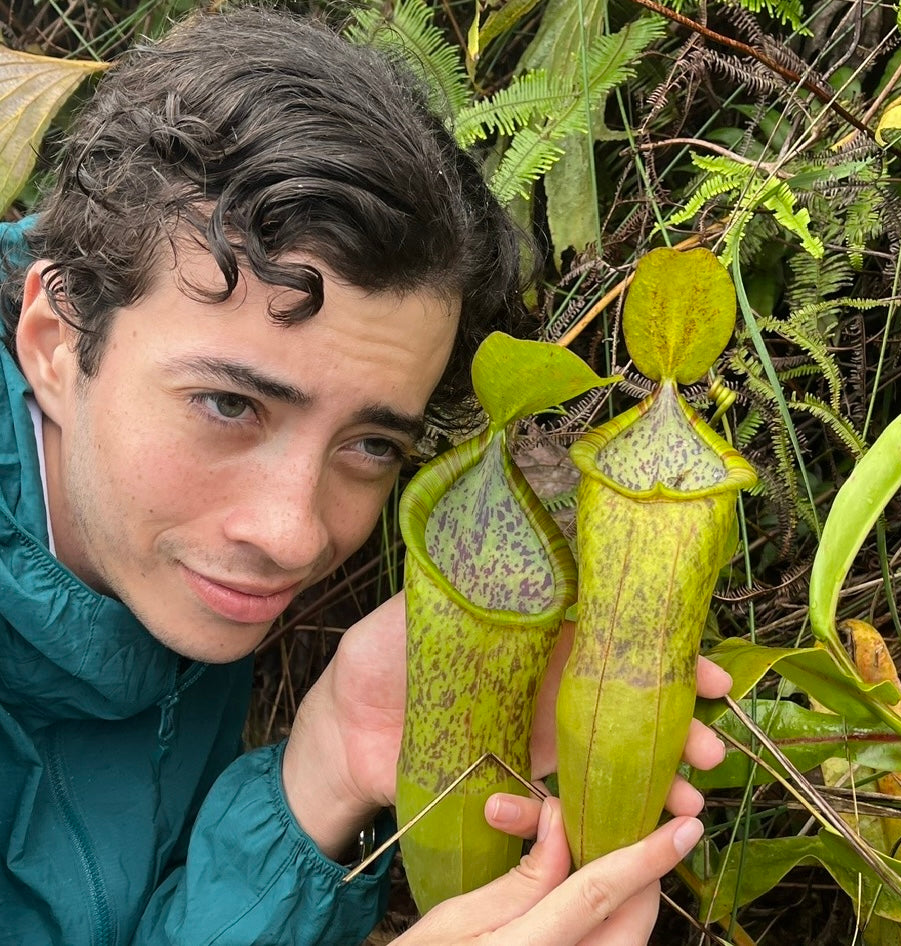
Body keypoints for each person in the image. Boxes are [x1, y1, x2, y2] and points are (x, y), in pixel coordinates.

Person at [0, 5, 731, 944]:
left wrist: (327, 768)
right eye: (230, 405)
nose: (296, 534)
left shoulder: (148, 560)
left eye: (372, 445)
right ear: (55, 343)